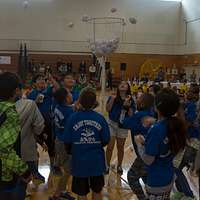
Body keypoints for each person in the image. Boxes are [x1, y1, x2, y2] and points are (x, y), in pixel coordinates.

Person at [135, 88, 187, 200]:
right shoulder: (176, 124)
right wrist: (147, 143)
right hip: (168, 175)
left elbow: (148, 160)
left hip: (156, 179)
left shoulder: (157, 129)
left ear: (157, 107)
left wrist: (139, 144)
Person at [64, 87, 110, 200]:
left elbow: (67, 141)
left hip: (79, 162)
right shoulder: (100, 118)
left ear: (79, 101)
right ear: (95, 102)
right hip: (96, 162)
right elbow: (106, 139)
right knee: (97, 191)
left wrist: (75, 149)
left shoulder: (72, 118)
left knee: (81, 194)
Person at [0, 72, 31, 200]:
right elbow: (4, 148)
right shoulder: (10, 113)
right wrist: (24, 170)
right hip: (4, 174)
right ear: (17, 90)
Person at [123, 93, 155, 200]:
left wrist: (125, 109)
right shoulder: (152, 114)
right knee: (146, 176)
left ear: (142, 103)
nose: (136, 99)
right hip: (151, 152)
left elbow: (124, 122)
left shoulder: (139, 115)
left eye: (139, 98)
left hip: (144, 154)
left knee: (131, 177)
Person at [28, 73, 59, 171]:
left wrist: (51, 79)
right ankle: (35, 171)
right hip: (36, 124)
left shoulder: (48, 91)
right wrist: (35, 102)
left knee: (51, 146)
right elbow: (28, 109)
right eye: (39, 79)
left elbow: (58, 89)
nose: (42, 81)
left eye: (43, 79)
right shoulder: (31, 94)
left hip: (48, 123)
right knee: (33, 148)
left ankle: (52, 167)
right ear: (34, 83)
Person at [49, 88, 74, 200]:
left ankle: (61, 191)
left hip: (58, 139)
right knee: (68, 170)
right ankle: (56, 194)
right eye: (69, 93)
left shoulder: (58, 107)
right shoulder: (69, 111)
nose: (71, 94)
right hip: (65, 142)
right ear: (66, 98)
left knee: (66, 168)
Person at [106, 81, 135, 174]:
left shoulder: (131, 100)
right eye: (120, 83)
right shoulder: (112, 97)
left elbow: (131, 115)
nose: (122, 84)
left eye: (125, 84)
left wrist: (128, 106)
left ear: (128, 88)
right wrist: (112, 99)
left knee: (120, 147)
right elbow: (108, 109)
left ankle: (119, 165)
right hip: (112, 124)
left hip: (123, 126)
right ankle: (106, 165)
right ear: (118, 87)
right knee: (110, 146)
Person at [16, 97, 45, 185]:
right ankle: (34, 174)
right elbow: (39, 127)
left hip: (6, 152)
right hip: (26, 147)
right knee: (24, 178)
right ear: (17, 90)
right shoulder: (29, 104)